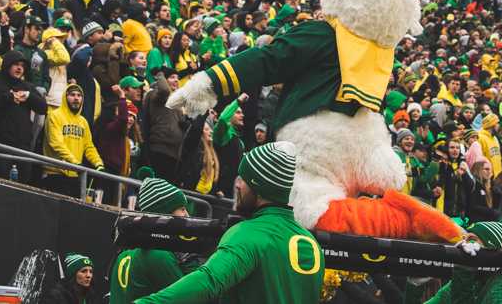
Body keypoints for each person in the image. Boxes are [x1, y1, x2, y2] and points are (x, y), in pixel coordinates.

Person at [136, 142, 323, 304]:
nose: (237, 184)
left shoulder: (247, 234)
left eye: (243, 179)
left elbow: (208, 282)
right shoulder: (311, 243)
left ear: (258, 185)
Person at [110, 175, 194, 303]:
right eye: (182, 209)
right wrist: (190, 259)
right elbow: (193, 298)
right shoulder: (158, 254)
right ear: (164, 214)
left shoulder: (123, 254)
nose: (187, 215)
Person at [0, 50, 48, 179]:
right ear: (7, 65)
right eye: (16, 64)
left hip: (23, 147)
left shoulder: (27, 86)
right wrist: (9, 97)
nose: (20, 68)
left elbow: (43, 108)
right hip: (0, 145)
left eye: (22, 65)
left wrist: (28, 96)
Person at [41, 83, 105, 197]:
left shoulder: (83, 121)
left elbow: (89, 146)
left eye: (79, 95)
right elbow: (56, 143)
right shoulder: (54, 115)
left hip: (75, 175)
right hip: (54, 173)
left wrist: (98, 163)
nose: (76, 98)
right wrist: (75, 163)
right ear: (65, 97)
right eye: (72, 95)